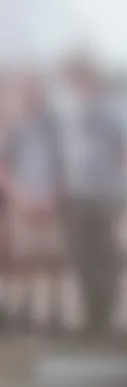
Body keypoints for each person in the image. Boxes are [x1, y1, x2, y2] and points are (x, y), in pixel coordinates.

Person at [54, 53, 127, 336]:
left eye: (84, 77)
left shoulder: (112, 109)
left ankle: (105, 316)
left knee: (105, 256)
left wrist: (119, 189)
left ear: (94, 78)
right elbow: (61, 151)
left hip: (105, 194)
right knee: (82, 256)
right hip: (74, 194)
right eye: (75, 78)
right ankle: (90, 316)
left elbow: (123, 151)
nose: (79, 83)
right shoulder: (66, 111)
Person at [0, 70, 67, 333]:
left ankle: (55, 313)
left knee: (53, 259)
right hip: (22, 203)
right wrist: (19, 198)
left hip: (52, 202)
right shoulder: (15, 128)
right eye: (27, 91)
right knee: (25, 258)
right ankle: (25, 310)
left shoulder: (56, 128)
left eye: (36, 90)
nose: (31, 96)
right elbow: (3, 167)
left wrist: (54, 198)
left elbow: (65, 166)